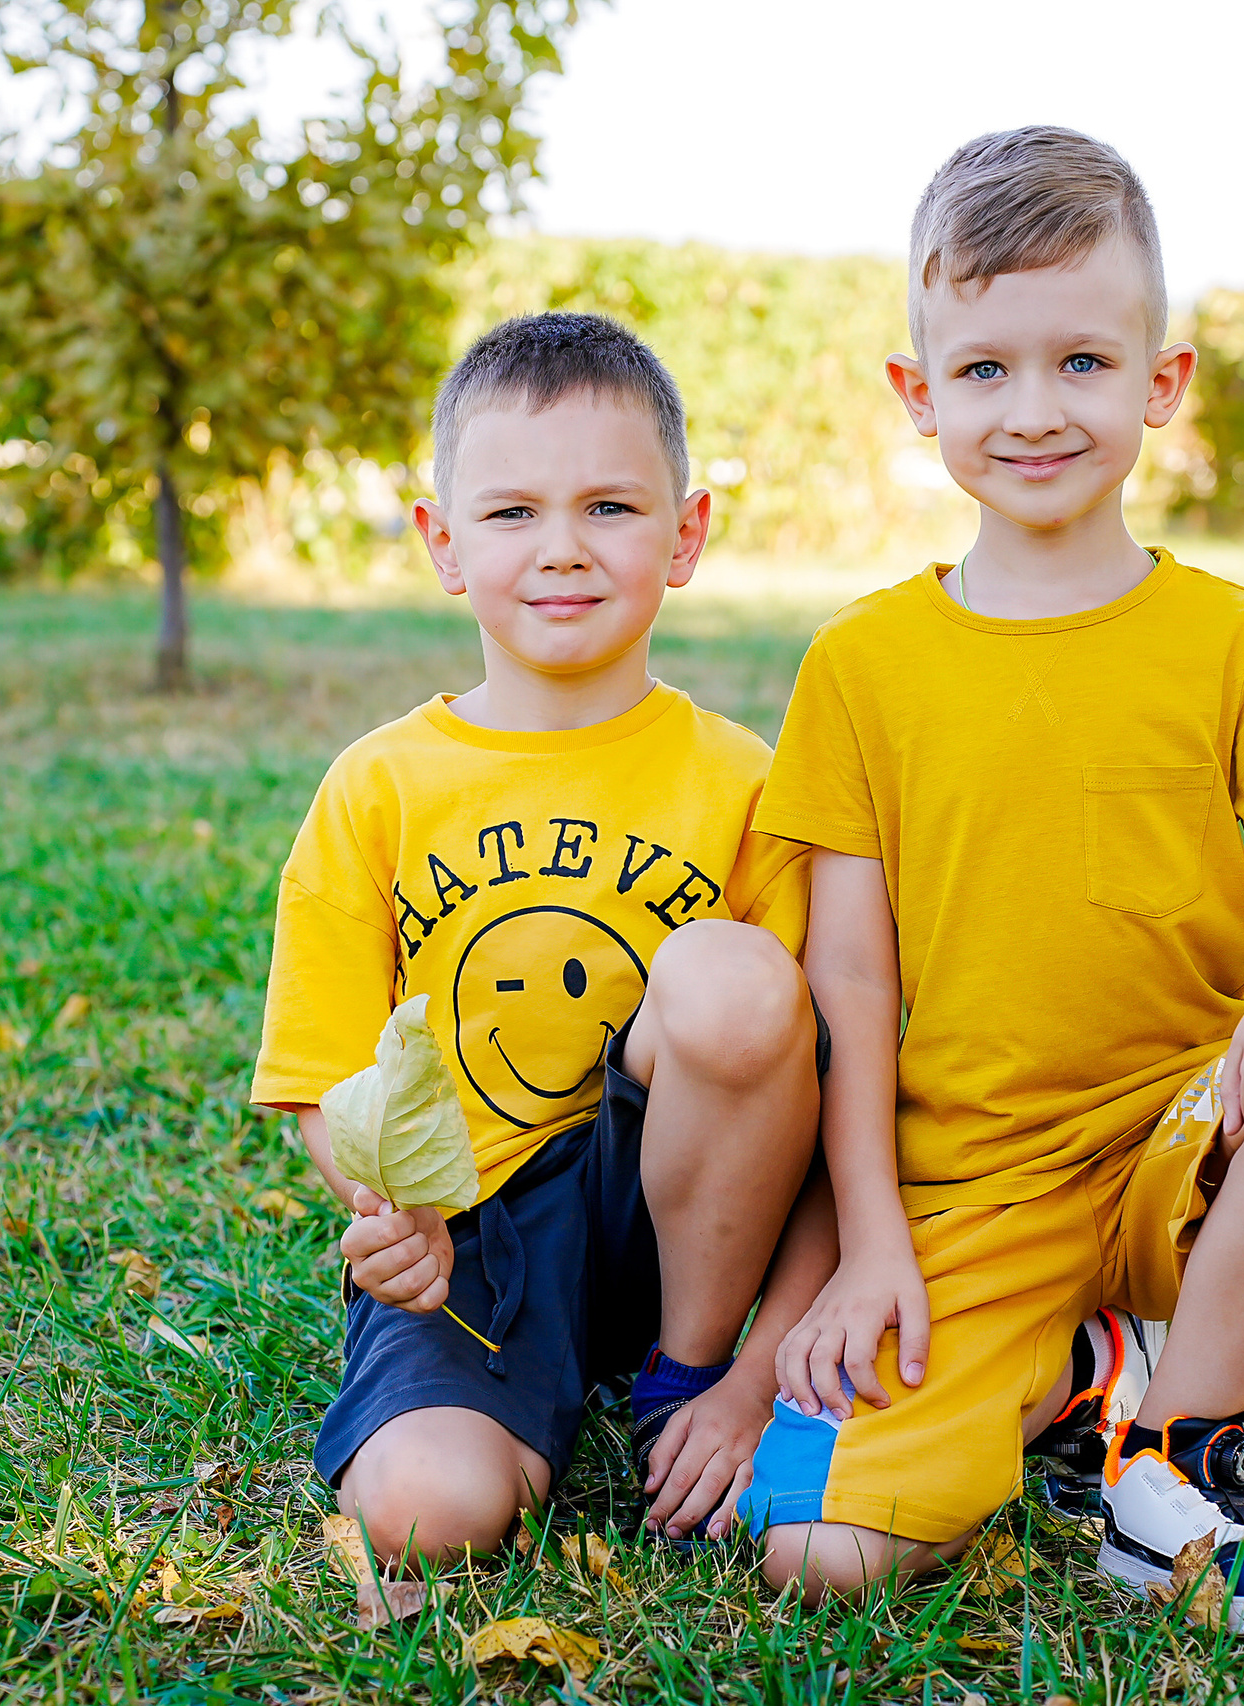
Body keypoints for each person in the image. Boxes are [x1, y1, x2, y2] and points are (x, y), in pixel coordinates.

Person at [735, 127, 1244, 1633]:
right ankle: (1080, 1364)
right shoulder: (861, 664)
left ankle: (1177, 1448)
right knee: (815, 1553)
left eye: (1083, 364)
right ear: (919, 397)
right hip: (969, 1177)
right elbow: (848, 985)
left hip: (1188, 1134)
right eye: (983, 370)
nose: (1033, 412)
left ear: (1160, 384)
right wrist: (871, 1248)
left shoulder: (1243, 644)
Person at [252, 313, 834, 1564]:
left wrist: (757, 1366)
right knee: (423, 1511)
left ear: (685, 536)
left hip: (694, 1225)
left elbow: (828, 1103)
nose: (562, 549)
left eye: (610, 507)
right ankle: (508, 1394)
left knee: (730, 976)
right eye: (511, 512)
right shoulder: (379, 786)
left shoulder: (749, 784)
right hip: (481, 1235)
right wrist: (386, 1214)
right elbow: (321, 1073)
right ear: (442, 543)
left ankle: (686, 1372)